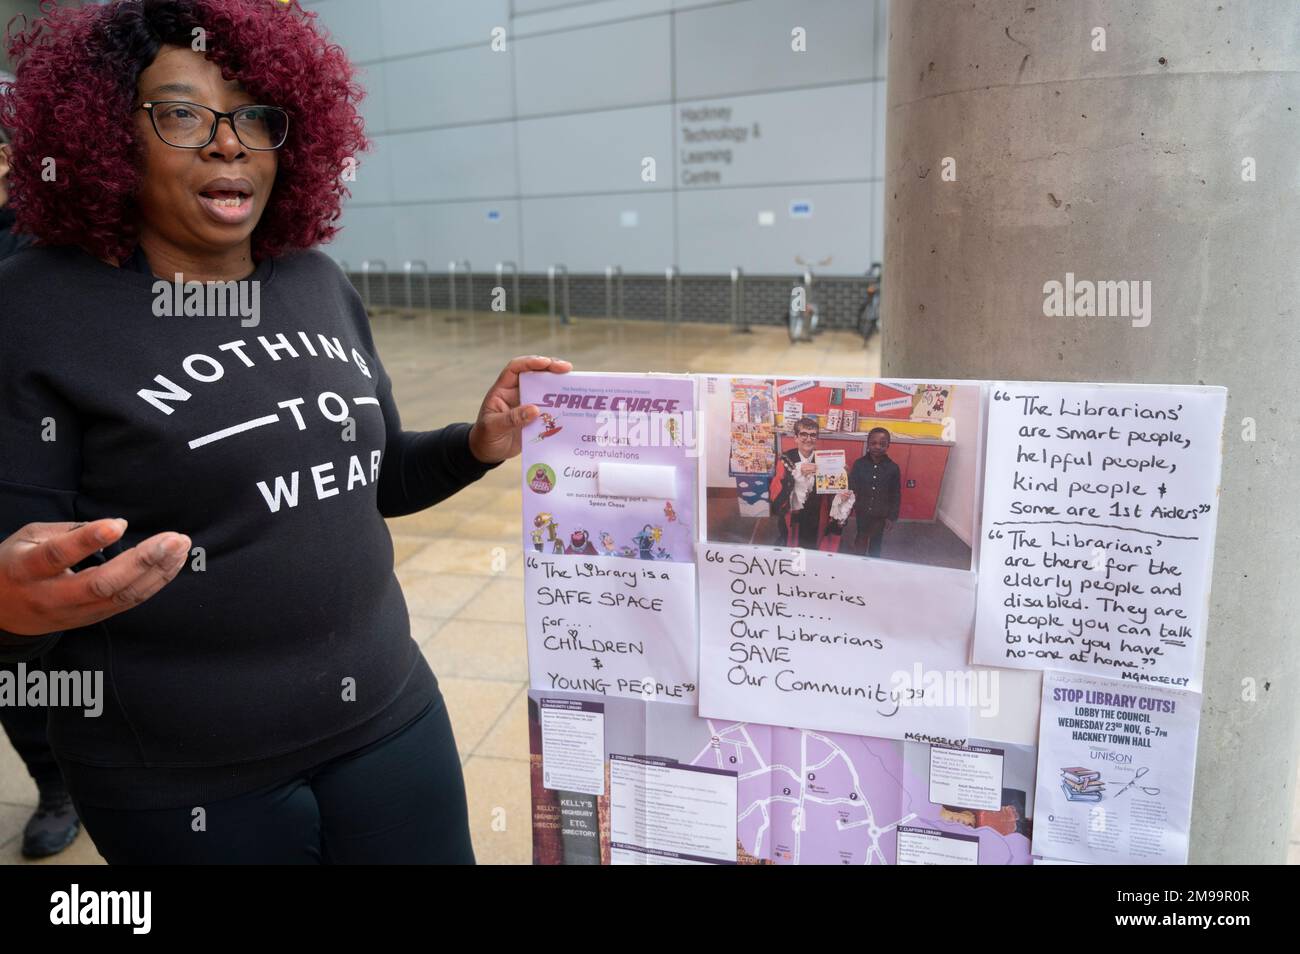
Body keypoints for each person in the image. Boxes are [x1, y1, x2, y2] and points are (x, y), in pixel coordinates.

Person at [0, 0, 571, 864]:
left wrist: (474, 444)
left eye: (255, 116)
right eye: (183, 113)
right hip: (187, 780)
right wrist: (11, 610)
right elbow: (25, 564)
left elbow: (374, 482)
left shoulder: (314, 280)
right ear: (110, 137)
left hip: (390, 718)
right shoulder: (37, 309)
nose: (229, 142)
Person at [0, 72, 82, 859]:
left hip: (45, 464)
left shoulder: (48, 240)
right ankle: (53, 779)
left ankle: (71, 778)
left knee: (49, 623)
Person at [770, 417, 842, 551]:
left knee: (815, 544)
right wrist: (797, 475)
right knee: (793, 546)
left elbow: (832, 490)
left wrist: (841, 475)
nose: (808, 439)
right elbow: (776, 495)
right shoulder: (786, 459)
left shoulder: (825, 459)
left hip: (818, 510)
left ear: (817, 438)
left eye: (813, 435)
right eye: (803, 434)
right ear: (796, 438)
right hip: (794, 514)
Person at [842, 427, 901, 558]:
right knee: (861, 535)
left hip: (881, 513)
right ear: (868, 444)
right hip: (862, 510)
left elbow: (895, 494)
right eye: (873, 443)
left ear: (888, 446)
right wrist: (845, 476)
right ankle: (858, 559)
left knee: (876, 540)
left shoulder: (893, 468)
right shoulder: (859, 464)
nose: (877, 447)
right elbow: (853, 487)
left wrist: (892, 517)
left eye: (882, 444)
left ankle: (874, 563)